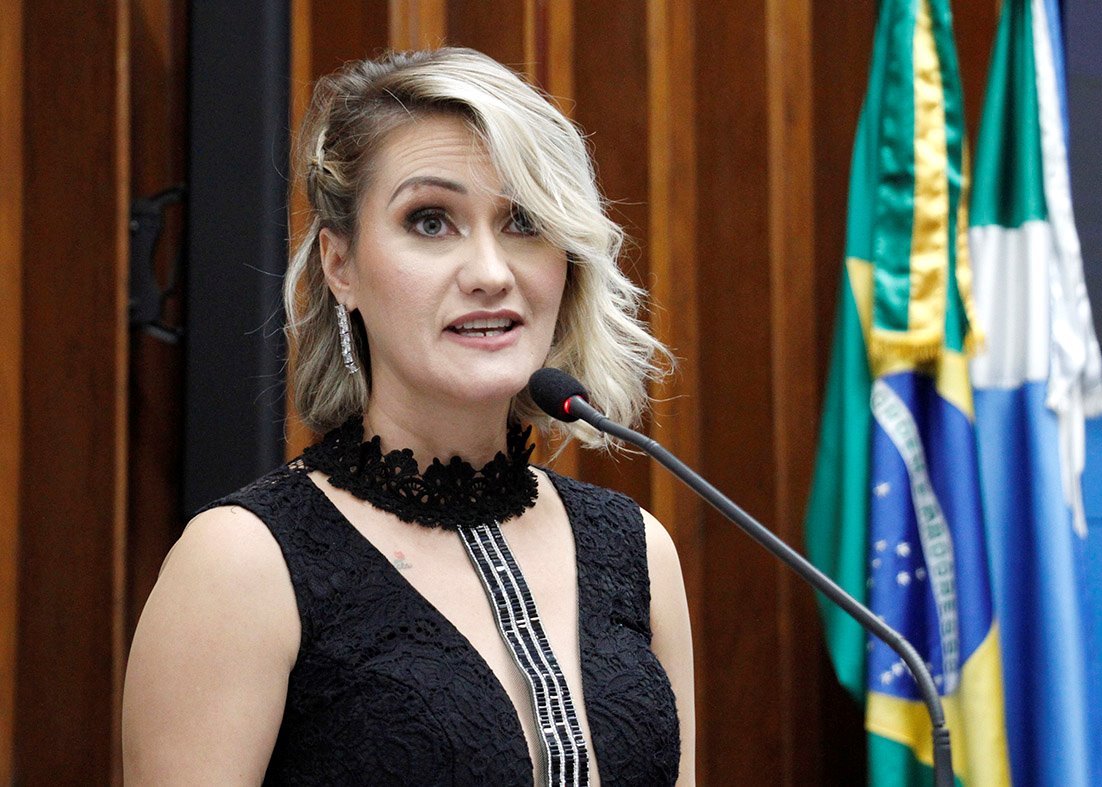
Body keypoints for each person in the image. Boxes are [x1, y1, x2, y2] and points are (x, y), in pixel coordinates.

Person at [122, 48, 694, 786]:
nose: (490, 273)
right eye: (430, 221)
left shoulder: (638, 549)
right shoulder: (242, 562)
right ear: (341, 266)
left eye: (523, 220)